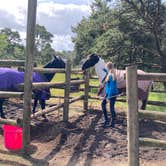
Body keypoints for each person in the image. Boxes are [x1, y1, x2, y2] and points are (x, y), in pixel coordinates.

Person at [101, 62, 118, 128]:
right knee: (103, 104)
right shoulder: (109, 73)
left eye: (106, 67)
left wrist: (109, 96)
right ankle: (106, 119)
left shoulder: (112, 75)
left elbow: (112, 86)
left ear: (108, 67)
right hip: (108, 93)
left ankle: (112, 122)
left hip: (112, 93)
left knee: (111, 107)